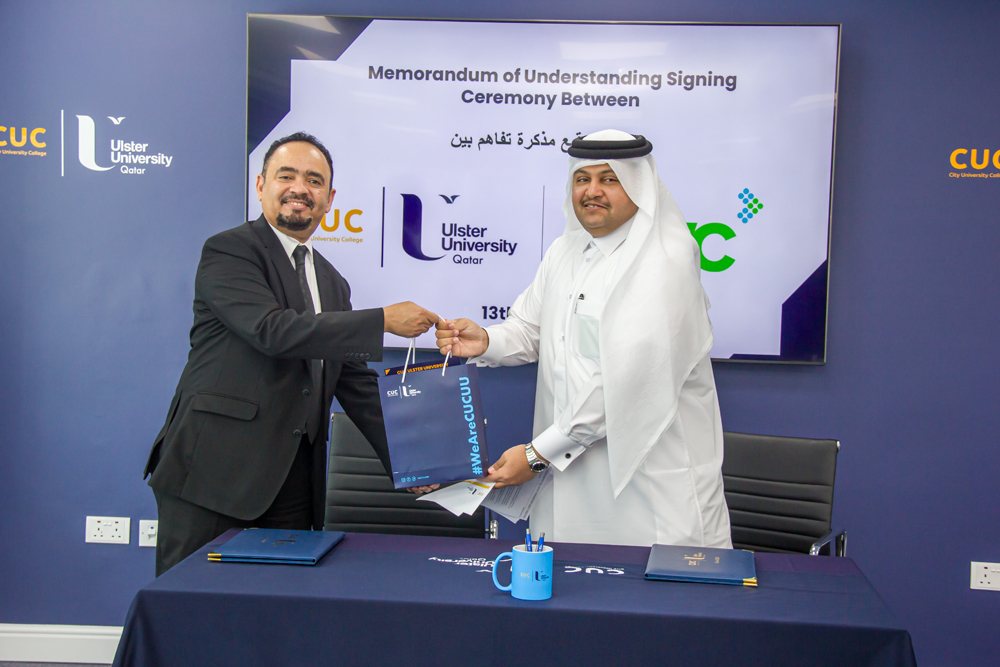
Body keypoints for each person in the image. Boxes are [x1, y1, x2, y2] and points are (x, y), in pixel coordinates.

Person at [145, 132, 438, 575]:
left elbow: (354, 383)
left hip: (294, 486)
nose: (300, 188)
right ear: (261, 185)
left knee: (279, 606)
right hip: (213, 478)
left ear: (329, 199)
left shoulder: (333, 283)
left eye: (314, 181)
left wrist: (414, 461)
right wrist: (381, 320)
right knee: (194, 605)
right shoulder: (230, 251)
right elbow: (272, 331)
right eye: (287, 176)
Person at [436, 129, 731, 548]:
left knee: (653, 587)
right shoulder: (564, 251)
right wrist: (485, 341)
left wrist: (537, 455)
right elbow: (531, 330)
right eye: (582, 179)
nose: (592, 191)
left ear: (638, 185)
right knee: (570, 583)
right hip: (569, 482)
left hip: (650, 494)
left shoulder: (664, 261)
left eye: (609, 179)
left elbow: (624, 382)